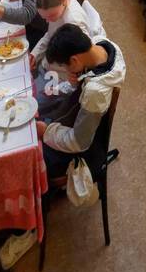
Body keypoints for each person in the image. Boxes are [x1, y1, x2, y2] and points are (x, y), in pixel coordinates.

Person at [37, 25, 127, 178]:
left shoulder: (95, 93)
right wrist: (71, 84)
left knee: (35, 155)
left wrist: (47, 132)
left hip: (84, 148)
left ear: (74, 59)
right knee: (43, 102)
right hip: (80, 116)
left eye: (65, 66)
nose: (66, 70)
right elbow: (82, 81)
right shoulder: (101, 44)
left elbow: (79, 142)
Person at [28, 0, 105, 74]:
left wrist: (44, 62)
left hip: (73, 64)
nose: (47, 21)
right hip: (65, 52)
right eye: (44, 17)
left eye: (51, 16)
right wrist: (35, 54)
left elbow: (82, 59)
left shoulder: (74, 23)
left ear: (64, 1)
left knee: (44, 65)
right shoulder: (63, 3)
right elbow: (51, 34)